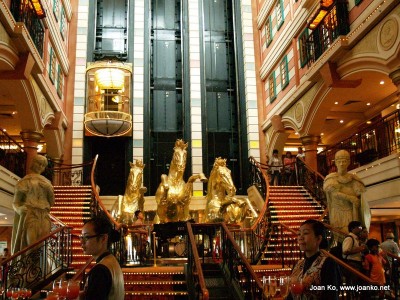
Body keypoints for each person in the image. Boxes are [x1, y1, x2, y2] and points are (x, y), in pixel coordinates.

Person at [11, 154, 55, 254]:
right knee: (31, 246)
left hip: (44, 215)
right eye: (38, 163)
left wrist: (48, 189)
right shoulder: (24, 181)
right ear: (33, 163)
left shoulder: (47, 182)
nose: (40, 166)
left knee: (42, 246)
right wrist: (19, 209)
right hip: (31, 214)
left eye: (43, 165)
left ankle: (38, 268)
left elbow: (52, 202)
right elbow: (16, 202)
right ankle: (28, 268)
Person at [287, 219, 341, 300]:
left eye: (305, 233)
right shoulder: (298, 264)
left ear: (318, 239)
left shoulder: (328, 263)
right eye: (299, 234)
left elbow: (331, 295)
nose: (300, 237)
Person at [323, 150, 370, 233]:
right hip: (338, 211)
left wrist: (356, 198)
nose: (341, 164)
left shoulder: (354, 178)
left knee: (354, 232)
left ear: (348, 162)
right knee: (341, 233)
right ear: (336, 162)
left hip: (352, 210)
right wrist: (350, 198)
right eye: (339, 161)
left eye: (344, 161)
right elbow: (334, 194)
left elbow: (360, 194)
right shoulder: (331, 178)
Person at [80, 217, 124, 300]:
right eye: (81, 237)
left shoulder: (100, 270)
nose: (81, 242)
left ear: (103, 238)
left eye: (86, 237)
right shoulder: (111, 261)